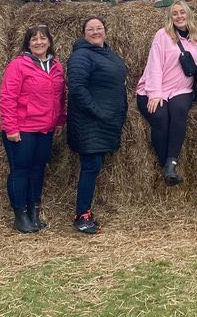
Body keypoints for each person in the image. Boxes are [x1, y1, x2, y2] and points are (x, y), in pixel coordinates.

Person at [0, 24, 65, 233]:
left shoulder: (56, 66)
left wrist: (60, 121)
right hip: (23, 128)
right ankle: (20, 215)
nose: (39, 42)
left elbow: (61, 97)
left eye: (43, 38)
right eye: (34, 39)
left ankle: (34, 211)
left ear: (49, 42)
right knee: (21, 171)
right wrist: (11, 128)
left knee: (37, 171)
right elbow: (7, 97)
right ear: (28, 43)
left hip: (45, 128)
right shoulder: (18, 65)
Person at [67, 17, 128, 234]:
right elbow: (77, 89)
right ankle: (82, 216)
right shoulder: (81, 55)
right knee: (90, 167)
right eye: (90, 29)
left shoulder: (106, 53)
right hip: (89, 122)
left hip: (104, 121)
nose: (95, 32)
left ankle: (85, 212)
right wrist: (97, 111)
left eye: (99, 28)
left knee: (94, 166)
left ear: (105, 31)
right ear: (84, 33)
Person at [136, 0, 197, 185]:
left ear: (188, 14)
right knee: (160, 117)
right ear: (170, 17)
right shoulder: (163, 35)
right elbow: (154, 65)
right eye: (175, 13)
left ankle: (171, 162)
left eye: (182, 12)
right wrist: (155, 93)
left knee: (179, 111)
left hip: (181, 88)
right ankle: (166, 165)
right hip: (154, 87)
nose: (179, 16)